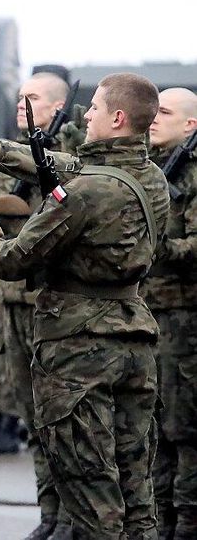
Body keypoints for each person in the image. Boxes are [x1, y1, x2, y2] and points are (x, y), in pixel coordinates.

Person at [0, 73, 168, 540]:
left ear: (117, 118)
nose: (86, 115)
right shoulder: (149, 177)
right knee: (136, 487)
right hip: (133, 335)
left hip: (78, 348)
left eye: (95, 107)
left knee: (89, 491)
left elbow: (14, 260)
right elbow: (63, 164)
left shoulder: (84, 193)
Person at [145, 87, 197, 539]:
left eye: (164, 112)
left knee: (184, 427)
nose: (154, 119)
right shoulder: (149, 168)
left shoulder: (192, 175)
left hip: (183, 318)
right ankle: (160, 519)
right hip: (148, 314)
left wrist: (160, 248)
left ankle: (187, 522)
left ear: (190, 125)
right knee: (152, 425)